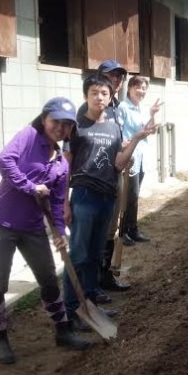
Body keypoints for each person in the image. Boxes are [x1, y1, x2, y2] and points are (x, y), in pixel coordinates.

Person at [0, 97, 92, 364]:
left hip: (32, 228)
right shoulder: (29, 137)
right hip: (1, 224)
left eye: (67, 125)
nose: (61, 128)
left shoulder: (62, 164)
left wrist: (59, 233)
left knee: (48, 280)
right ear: (44, 119)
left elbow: (56, 202)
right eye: (56, 121)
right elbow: (3, 161)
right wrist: (30, 186)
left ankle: (62, 331)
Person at [63, 74, 156, 331]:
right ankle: (71, 311)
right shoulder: (76, 126)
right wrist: (64, 204)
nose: (99, 97)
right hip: (83, 196)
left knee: (94, 255)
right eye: (94, 93)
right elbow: (64, 167)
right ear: (86, 96)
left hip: (106, 197)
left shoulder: (114, 126)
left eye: (104, 93)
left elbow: (117, 163)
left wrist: (137, 137)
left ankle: (91, 307)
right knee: (78, 255)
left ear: (110, 96)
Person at [117, 76, 162, 247]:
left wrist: (152, 115)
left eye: (144, 88)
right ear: (129, 89)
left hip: (141, 156)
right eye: (138, 87)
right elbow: (118, 131)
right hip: (129, 157)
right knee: (129, 195)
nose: (141, 91)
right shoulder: (123, 107)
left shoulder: (141, 108)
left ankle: (132, 229)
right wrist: (123, 147)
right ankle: (124, 232)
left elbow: (147, 130)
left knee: (134, 196)